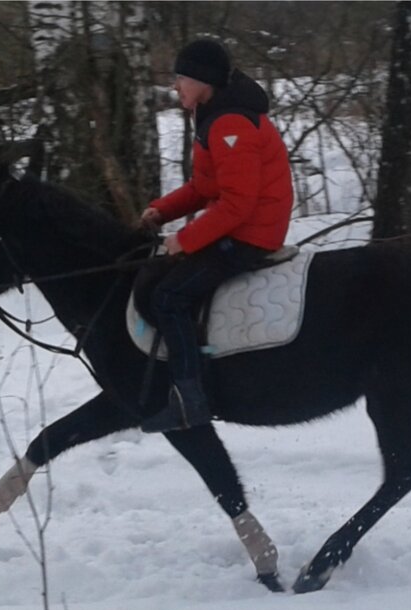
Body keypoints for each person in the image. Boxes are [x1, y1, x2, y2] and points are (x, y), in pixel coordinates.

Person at [137, 39, 294, 433]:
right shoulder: (213, 116)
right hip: (241, 226)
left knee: (169, 296)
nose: (176, 87)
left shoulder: (230, 125)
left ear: (204, 81)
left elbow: (238, 204)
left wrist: (185, 239)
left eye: (181, 78)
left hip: (252, 234)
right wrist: (162, 209)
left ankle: (191, 400)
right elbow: (205, 186)